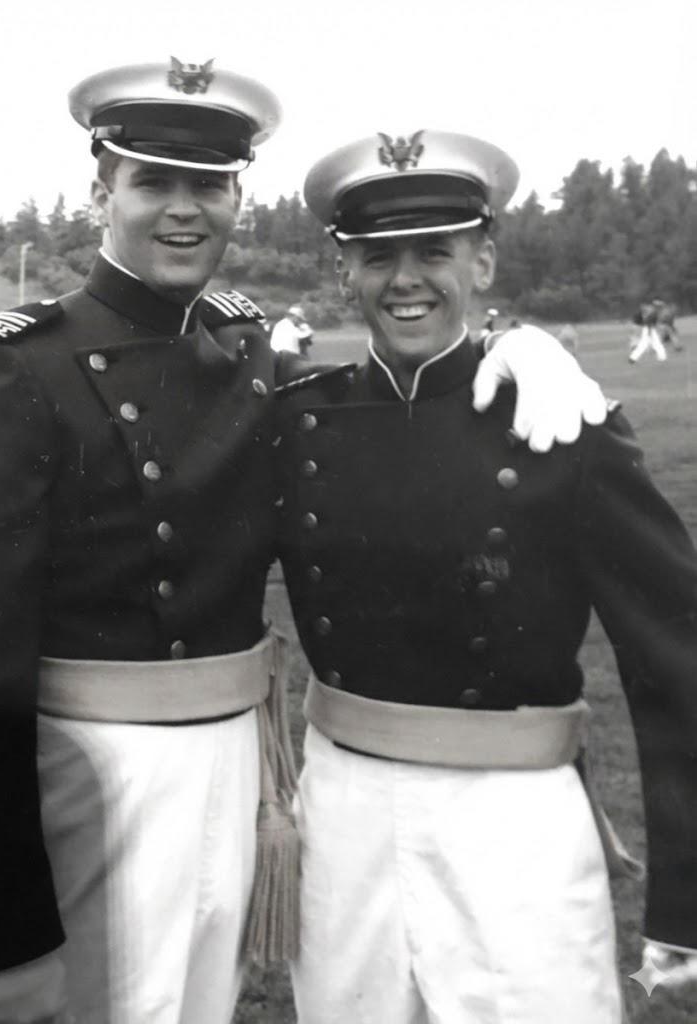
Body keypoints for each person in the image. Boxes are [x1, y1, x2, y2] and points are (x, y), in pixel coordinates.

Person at [0, 62, 609, 1024]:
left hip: (236, 767)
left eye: (207, 186)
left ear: (236, 199)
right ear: (100, 195)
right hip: (95, 772)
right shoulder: (13, 366)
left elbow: (380, 399)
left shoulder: (243, 344)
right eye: (152, 182)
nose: (183, 210)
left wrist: (518, 347)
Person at [274, 130, 697, 1023]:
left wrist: (686, 903)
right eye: (377, 256)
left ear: (485, 260)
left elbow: (675, 656)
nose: (406, 279)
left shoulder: (560, 420)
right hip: (343, 808)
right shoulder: (298, 420)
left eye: (436, 251)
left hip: (513, 825)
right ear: (344, 271)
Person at [629, 298, 667, 363]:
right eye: (660, 307)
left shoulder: (654, 312)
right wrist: (649, 332)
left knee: (650, 344)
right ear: (657, 307)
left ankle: (633, 358)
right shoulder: (654, 313)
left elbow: (651, 322)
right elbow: (649, 322)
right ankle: (662, 357)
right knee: (651, 344)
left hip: (649, 329)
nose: (661, 308)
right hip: (649, 329)